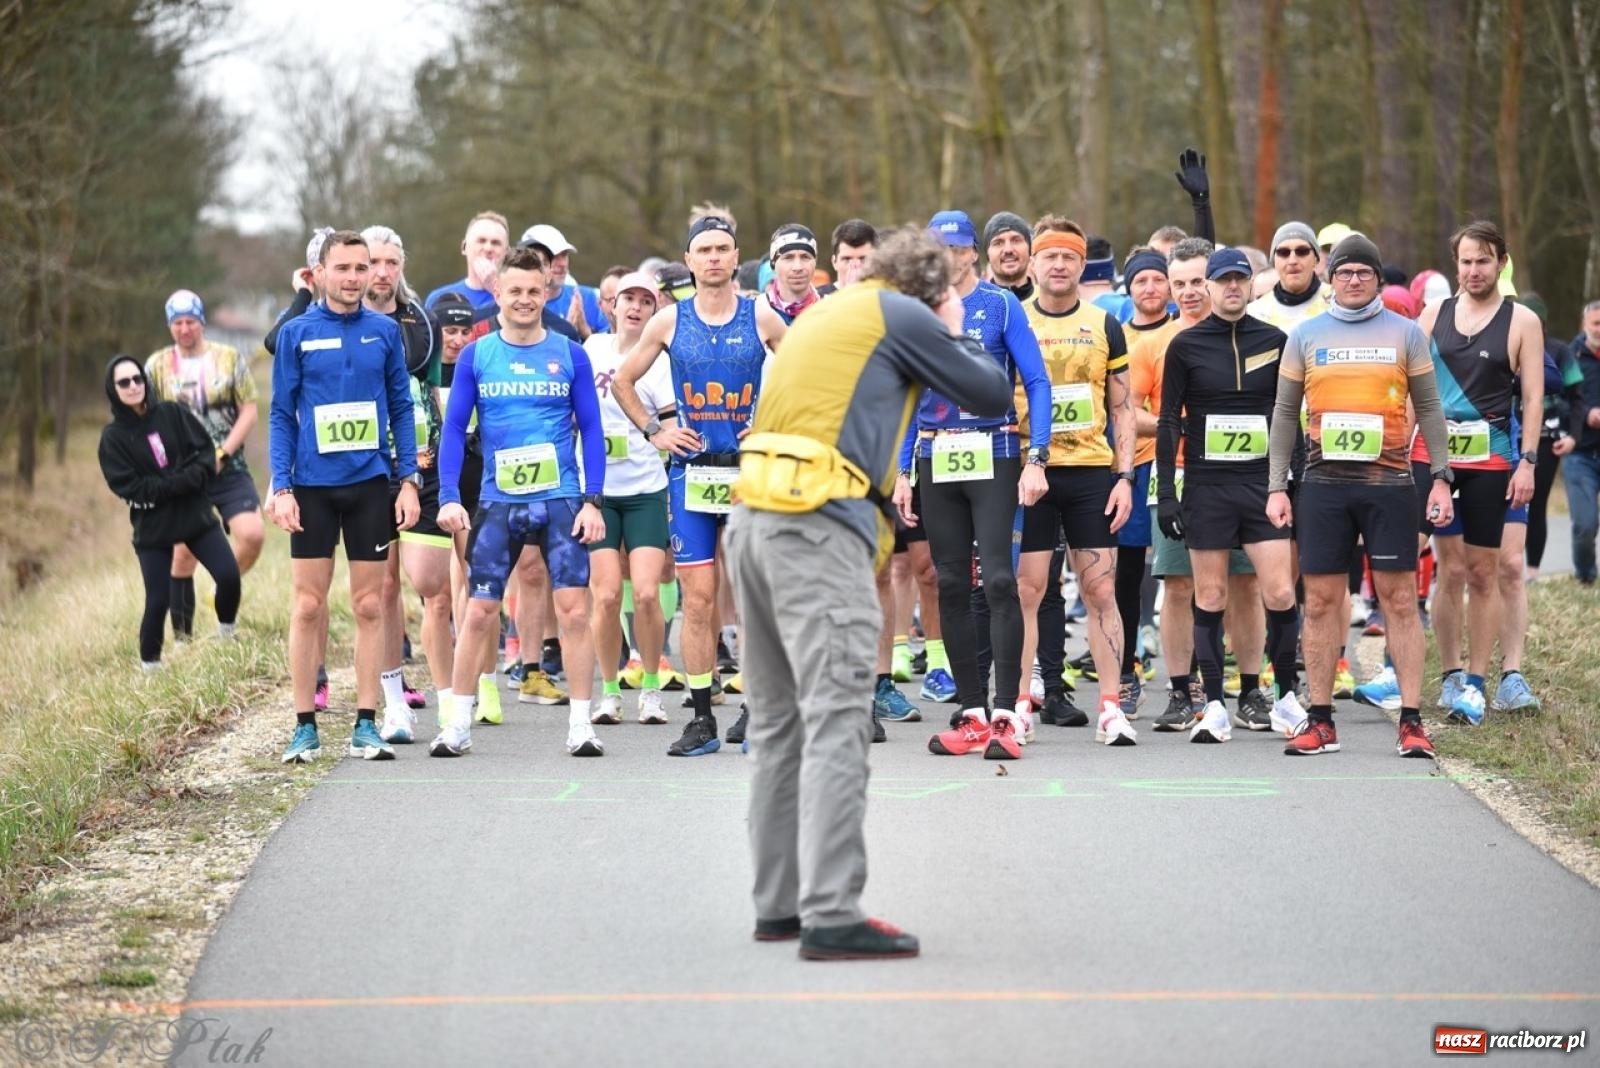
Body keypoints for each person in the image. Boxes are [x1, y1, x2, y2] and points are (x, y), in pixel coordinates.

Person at [728, 224, 1011, 960]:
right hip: (815, 527)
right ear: (931, 286)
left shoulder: (832, 310)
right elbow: (985, 391)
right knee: (836, 720)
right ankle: (831, 912)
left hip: (754, 521)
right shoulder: (903, 312)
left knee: (781, 723)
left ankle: (779, 903)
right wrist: (955, 327)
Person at [1265, 233, 1454, 758]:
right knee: (1322, 601)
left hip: (1390, 484)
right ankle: (1321, 720)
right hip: (1323, 486)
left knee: (1398, 599)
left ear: (1377, 279)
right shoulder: (1305, 335)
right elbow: (1284, 414)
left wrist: (1441, 477)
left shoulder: (1407, 334)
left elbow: (1431, 409)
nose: (1353, 280)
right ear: (1331, 277)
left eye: (1363, 273)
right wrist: (1277, 485)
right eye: (1344, 272)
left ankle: (1412, 720)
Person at [613, 211, 788, 757]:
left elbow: (811, 371)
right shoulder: (668, 322)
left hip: (749, 475)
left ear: (737, 258)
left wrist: (775, 421)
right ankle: (703, 717)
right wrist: (654, 430)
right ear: (688, 262)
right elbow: (622, 380)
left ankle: (758, 712)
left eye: (722, 249)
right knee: (697, 597)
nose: (713, 258)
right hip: (691, 474)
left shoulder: (763, 316)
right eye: (703, 250)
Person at [430, 245, 608, 758]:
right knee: (481, 611)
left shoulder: (570, 352)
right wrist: (447, 497)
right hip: (497, 500)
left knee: (574, 610)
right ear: (497, 294)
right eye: (515, 292)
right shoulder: (476, 355)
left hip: (560, 499)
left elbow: (591, 431)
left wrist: (593, 500)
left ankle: (580, 725)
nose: (526, 300)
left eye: (534, 291)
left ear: (546, 292)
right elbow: (453, 431)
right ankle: (458, 724)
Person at [898, 209, 1050, 760]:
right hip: (936, 455)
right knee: (951, 582)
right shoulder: (917, 312)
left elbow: (1035, 380)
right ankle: (971, 711)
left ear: (972, 254)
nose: (949, 257)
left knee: (1002, 582)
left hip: (995, 450)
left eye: (958, 248)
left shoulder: (1000, 304)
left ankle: (1007, 713)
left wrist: (1037, 457)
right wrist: (902, 470)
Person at [268, 230, 420, 764]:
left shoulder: (383, 333)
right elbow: (282, 413)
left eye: (363, 268)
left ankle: (366, 724)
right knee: (308, 605)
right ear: (319, 274)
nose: (355, 278)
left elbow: (402, 408)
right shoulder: (297, 333)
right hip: (311, 488)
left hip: (370, 488)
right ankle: (304, 725)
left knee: (369, 604)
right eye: (345, 268)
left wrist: (407, 480)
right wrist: (281, 486)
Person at [1156, 247, 1298, 742]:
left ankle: (1284, 695)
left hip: (1263, 485)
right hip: (1206, 485)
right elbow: (1170, 419)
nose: (1232, 287)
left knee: (1278, 591)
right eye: (1224, 281)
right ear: (1210, 287)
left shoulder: (1277, 340)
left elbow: (1291, 415)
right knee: (1210, 594)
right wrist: (1170, 496)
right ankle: (1214, 704)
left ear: (1251, 283)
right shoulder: (1186, 345)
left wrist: (1291, 479)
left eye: (1241, 279)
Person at [1010, 217, 1137, 756]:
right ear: (1033, 264)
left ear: (1082, 266)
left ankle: (1111, 706)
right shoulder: (1012, 320)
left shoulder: (1105, 324)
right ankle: (1018, 705)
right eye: (1050, 256)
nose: (1059, 265)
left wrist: (1126, 477)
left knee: (1101, 590)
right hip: (1028, 475)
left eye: (1069, 257)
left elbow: (1123, 406)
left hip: (1089, 472)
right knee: (1026, 591)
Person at [1413, 221, 1542, 725]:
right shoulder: (1431, 316)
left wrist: (1528, 461)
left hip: (1493, 459)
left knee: (1486, 572)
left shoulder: (1522, 321)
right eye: (1465, 261)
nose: (1473, 270)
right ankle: (1448, 675)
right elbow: (1412, 390)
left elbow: (1532, 397)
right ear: (1456, 263)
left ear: (1501, 263)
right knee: (1449, 569)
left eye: (1483, 261)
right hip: (1435, 458)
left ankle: (1478, 682)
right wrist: (1406, 452)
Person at [359, 225, 453, 744]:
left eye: (392, 262)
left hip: (426, 465)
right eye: (373, 262)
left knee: (431, 587)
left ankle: (450, 706)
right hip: (370, 470)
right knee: (385, 587)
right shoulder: (341, 321)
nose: (382, 273)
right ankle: (395, 703)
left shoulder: (422, 321)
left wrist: (440, 451)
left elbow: (435, 391)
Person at [99, 355, 241, 672]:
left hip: (195, 515)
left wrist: (175, 482)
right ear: (113, 389)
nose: (133, 386)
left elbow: (204, 454)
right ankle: (150, 667)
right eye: (124, 382)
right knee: (158, 600)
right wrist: (179, 482)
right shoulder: (113, 439)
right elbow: (130, 487)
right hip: (153, 529)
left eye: (137, 378)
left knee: (229, 576)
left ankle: (227, 634)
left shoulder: (172, 413)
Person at [582, 271, 677, 728]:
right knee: (603, 596)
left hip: (644, 490)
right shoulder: (592, 350)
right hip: (598, 494)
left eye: (646, 300)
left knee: (644, 593)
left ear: (655, 308)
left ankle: (652, 688)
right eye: (628, 299)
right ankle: (611, 691)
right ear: (612, 306)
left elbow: (673, 421)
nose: (636, 307)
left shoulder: (662, 360)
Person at [143, 290, 264, 644]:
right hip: (181, 475)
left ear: (202, 323)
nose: (184, 329)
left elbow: (249, 410)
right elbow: (146, 422)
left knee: (253, 534)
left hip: (228, 466)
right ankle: (183, 640)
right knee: (181, 553)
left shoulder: (228, 358)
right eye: (177, 323)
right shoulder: (156, 366)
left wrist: (223, 453)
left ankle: (223, 587)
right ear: (169, 326)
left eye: (190, 322)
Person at [1564, 301, 1600, 586]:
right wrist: (1586, 413)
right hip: (1580, 454)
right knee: (1585, 525)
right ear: (1583, 325)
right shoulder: (1569, 356)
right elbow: (1557, 401)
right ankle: (1586, 576)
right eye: (1595, 324)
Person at [520, 223, 606, 338]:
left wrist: (585, 331)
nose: (562, 263)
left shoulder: (588, 298)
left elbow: (613, 349)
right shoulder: (520, 305)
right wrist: (566, 331)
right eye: (553, 256)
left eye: (564, 255)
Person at [425, 211, 510, 311]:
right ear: (464, 247)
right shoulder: (439, 299)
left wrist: (494, 286)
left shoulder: (520, 294)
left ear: (507, 253)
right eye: (481, 241)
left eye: (496, 243)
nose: (488, 248)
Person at [762, 224, 821, 323]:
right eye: (788, 257)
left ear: (815, 262)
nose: (797, 267)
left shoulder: (829, 309)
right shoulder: (755, 311)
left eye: (805, 257)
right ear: (773, 264)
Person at [983, 211, 1033, 301]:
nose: (1008, 250)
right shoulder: (974, 306)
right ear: (987, 254)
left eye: (1016, 240)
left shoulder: (1048, 302)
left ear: (1029, 249)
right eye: (998, 243)